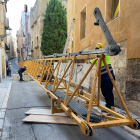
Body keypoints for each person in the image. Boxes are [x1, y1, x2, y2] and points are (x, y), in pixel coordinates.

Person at [90, 43, 115, 110]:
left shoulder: (105, 55)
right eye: (96, 50)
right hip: (103, 79)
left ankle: (111, 107)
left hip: (108, 77)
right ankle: (107, 106)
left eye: (98, 49)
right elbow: (89, 62)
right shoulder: (96, 59)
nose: (97, 51)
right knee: (104, 93)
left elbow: (100, 55)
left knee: (108, 93)